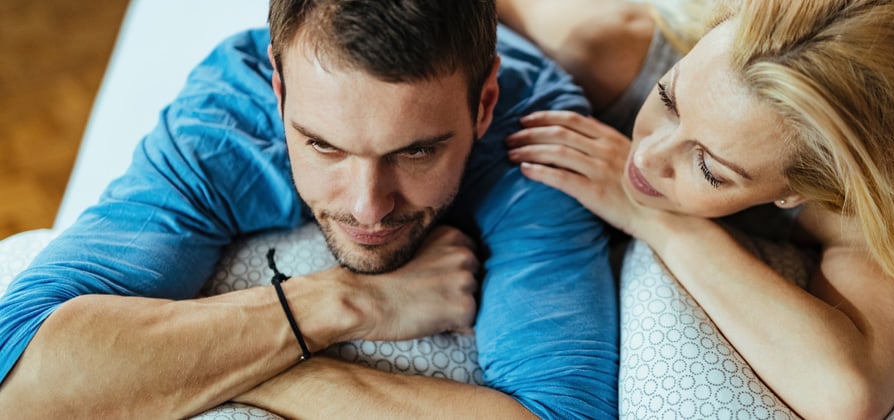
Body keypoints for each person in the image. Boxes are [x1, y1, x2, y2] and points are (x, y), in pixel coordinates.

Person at [0, 1, 618, 418]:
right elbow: (20, 380)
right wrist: (343, 303)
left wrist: (230, 367)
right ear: (278, 86)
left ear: (483, 105)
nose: (367, 207)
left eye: (418, 151)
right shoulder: (225, 122)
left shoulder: (535, 143)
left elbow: (556, 414)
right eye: (323, 144)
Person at [503, 0, 894, 418]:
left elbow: (847, 395)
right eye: (669, 99)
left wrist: (659, 222)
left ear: (800, 191)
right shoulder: (601, 44)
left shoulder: (848, 208)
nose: (647, 156)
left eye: (709, 169)